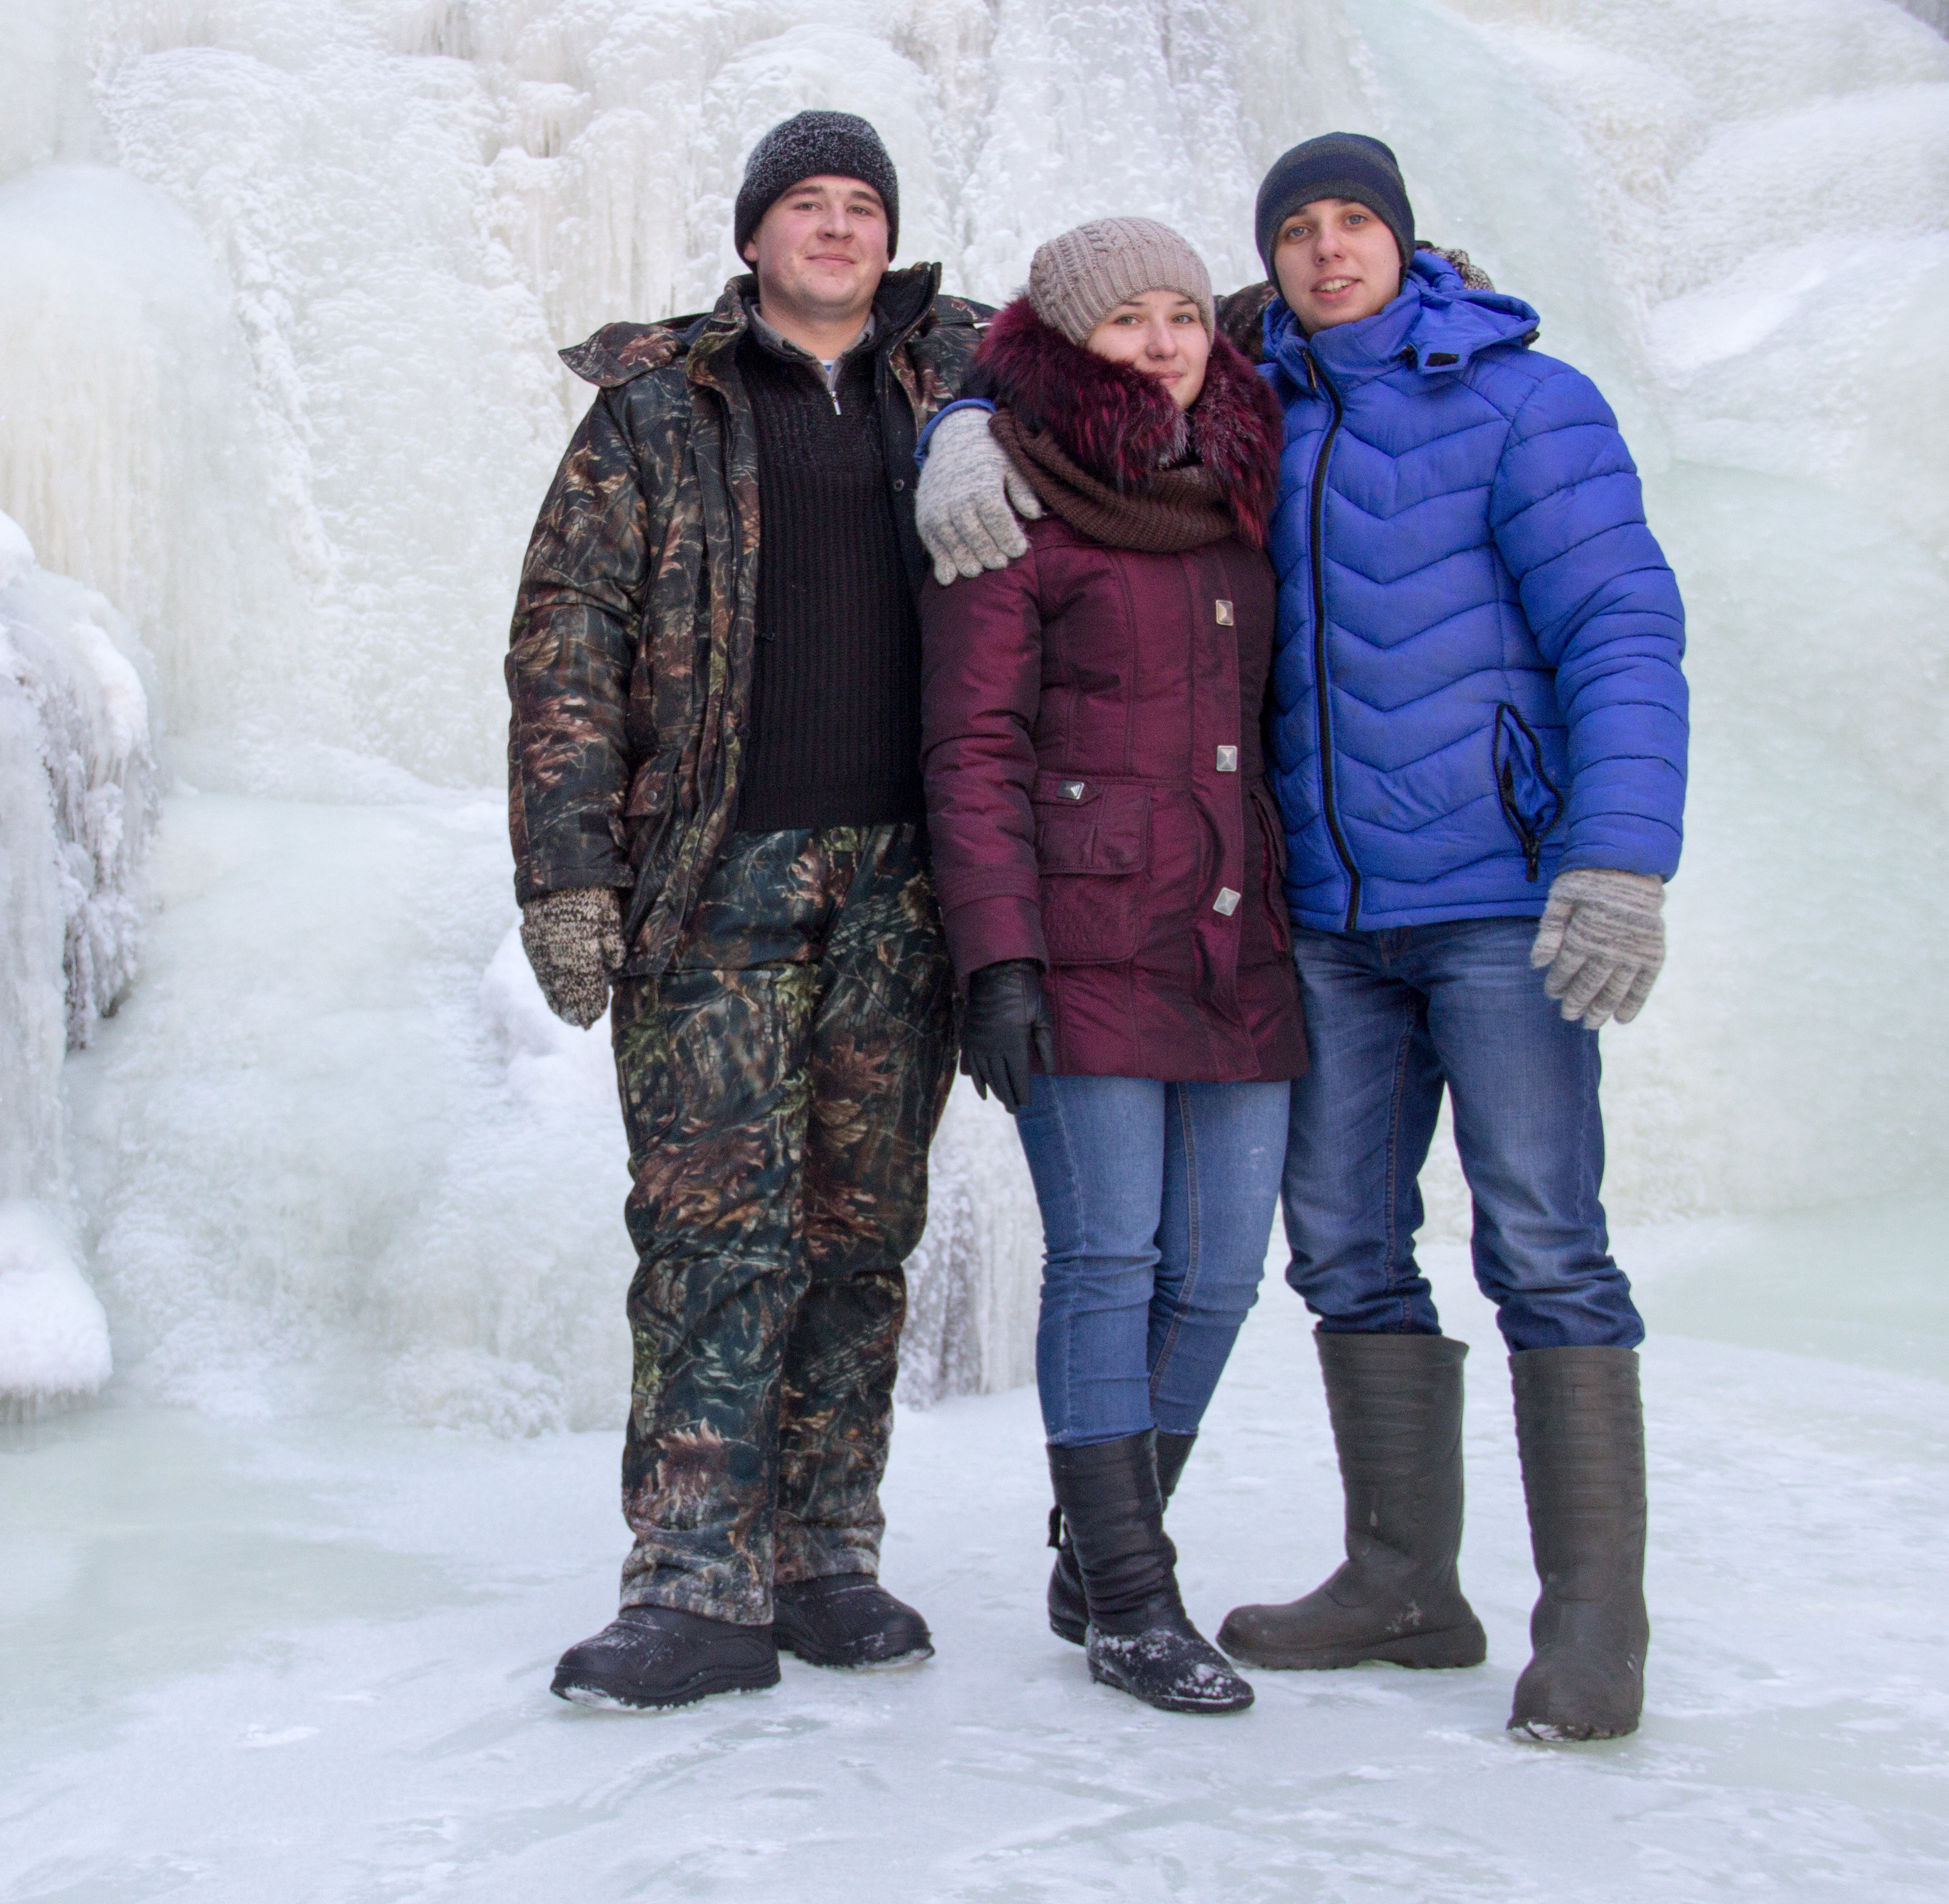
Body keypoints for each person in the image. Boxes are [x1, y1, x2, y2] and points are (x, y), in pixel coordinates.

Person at [917, 133, 1687, 1743]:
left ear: (1407, 239)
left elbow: (1620, 622)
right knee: (1338, 1246)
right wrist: (961, 429)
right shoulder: (1261, 397)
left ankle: (1593, 1624)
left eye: (1356, 223)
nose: (1330, 251)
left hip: (1495, 897)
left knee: (1545, 1242)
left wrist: (1620, 854)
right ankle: (1404, 1580)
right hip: (1316, 917)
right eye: (1298, 230)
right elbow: (1073, 364)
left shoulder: (1528, 403)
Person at [506, 110, 989, 1710]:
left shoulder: (970, 377)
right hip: (716, 875)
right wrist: (570, 872)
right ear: (754, 236)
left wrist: (1402, 284)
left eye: (863, 206)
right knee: (716, 1233)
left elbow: (1169, 344)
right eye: (807, 204)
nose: (837, 227)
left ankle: (824, 1556)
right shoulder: (658, 406)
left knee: (861, 1234)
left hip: (906, 885)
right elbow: (567, 641)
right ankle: (693, 1580)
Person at [919, 217, 1302, 1717]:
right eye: (1125, 318)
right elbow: (974, 748)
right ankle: (1134, 1600)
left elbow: (1347, 292)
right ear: (1069, 340)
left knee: (1220, 1273)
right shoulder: (1012, 497)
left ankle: (1096, 1552)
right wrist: (998, 960)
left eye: (1181, 315)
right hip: (1082, 937)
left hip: (1234, 933)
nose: (1161, 342)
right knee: (1110, 1260)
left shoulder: (1241, 480)